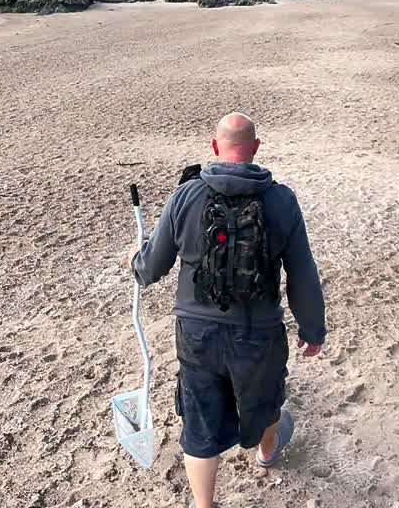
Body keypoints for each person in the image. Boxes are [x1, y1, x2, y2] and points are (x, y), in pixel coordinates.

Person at [128, 112, 326, 508]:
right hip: (259, 332)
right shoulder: (282, 200)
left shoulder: (184, 195)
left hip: (197, 333)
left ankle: (204, 505)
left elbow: (150, 269)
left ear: (215, 147)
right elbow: (302, 270)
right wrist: (313, 329)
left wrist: (136, 258)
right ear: (254, 150)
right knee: (265, 397)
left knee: (200, 414)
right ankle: (267, 453)